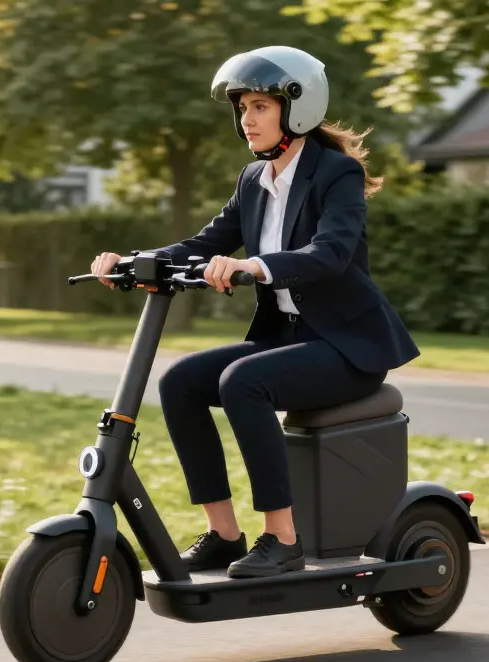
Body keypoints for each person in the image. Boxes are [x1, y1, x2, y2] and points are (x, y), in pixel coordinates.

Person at [90, 46, 420, 579]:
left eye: (260, 106)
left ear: (297, 108)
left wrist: (255, 267)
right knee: (180, 382)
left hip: (345, 347)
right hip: (286, 339)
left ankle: (282, 539)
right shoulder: (254, 180)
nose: (247, 118)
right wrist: (131, 262)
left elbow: (330, 253)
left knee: (243, 382)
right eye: (243, 107)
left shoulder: (335, 173)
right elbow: (205, 243)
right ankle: (224, 535)